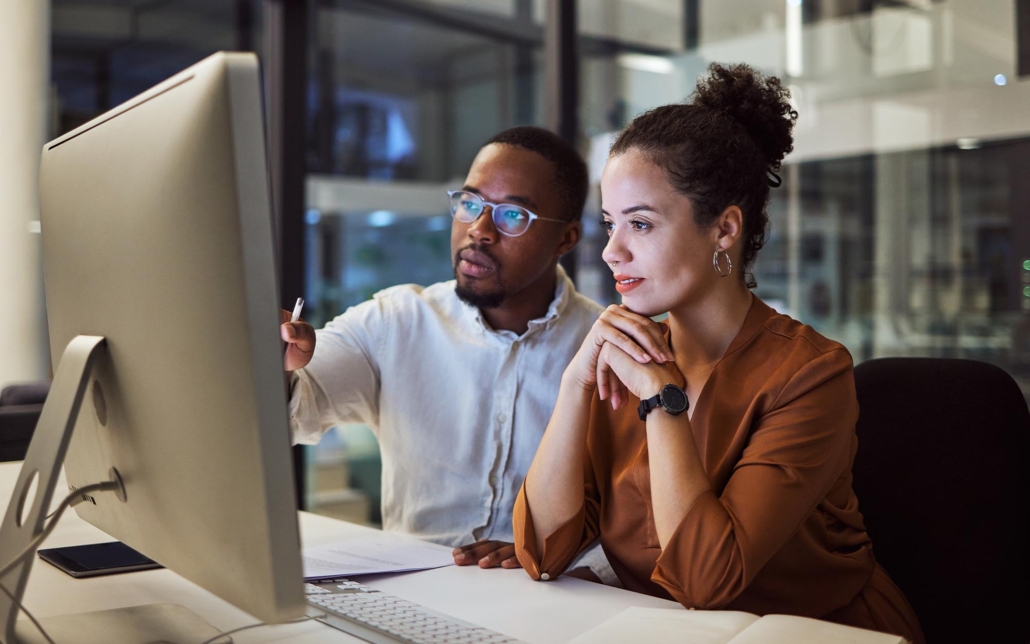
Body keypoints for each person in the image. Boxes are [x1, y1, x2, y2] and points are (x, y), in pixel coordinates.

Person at [512, 64, 925, 643]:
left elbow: (707, 580)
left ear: (724, 229)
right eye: (609, 224)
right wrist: (575, 384)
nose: (612, 251)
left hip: (814, 634)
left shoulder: (810, 373)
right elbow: (543, 552)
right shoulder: (622, 353)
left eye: (641, 224)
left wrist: (663, 399)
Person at [282, 126, 614, 582]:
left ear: (566, 239)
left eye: (513, 215)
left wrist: (561, 557)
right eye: (471, 203)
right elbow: (294, 413)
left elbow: (637, 524)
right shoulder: (397, 320)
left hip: (551, 598)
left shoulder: (607, 350)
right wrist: (279, 366)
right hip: (410, 593)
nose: (478, 230)